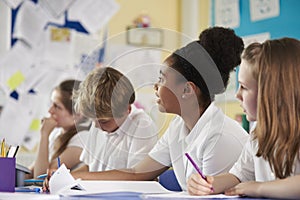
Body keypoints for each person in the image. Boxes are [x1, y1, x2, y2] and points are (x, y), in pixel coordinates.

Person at [68, 27, 248, 191]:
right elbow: (137, 173)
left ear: (187, 90)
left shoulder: (219, 137)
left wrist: (78, 176)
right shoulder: (178, 127)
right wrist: (75, 176)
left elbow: (211, 196)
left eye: (161, 79)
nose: (155, 86)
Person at [187, 38, 300, 199]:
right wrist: (208, 183)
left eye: (244, 87)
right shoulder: (258, 133)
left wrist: (260, 188)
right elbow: (239, 176)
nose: (237, 95)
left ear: (273, 93)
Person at [71, 67, 158, 172]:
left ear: (128, 109)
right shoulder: (99, 124)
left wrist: (80, 177)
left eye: (104, 121)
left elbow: (136, 176)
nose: (96, 126)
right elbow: (89, 166)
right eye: (93, 120)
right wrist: (65, 178)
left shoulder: (142, 125)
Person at [29, 79, 91, 178]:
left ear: (78, 114)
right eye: (51, 104)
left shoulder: (82, 138)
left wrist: (44, 135)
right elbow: (31, 171)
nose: (50, 111)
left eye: (57, 106)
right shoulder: (57, 133)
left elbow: (41, 176)